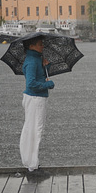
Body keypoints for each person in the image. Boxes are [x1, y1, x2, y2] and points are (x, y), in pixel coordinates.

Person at [20, 36, 54, 178]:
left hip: (35, 98)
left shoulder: (35, 60)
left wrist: (47, 68)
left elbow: (37, 78)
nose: (43, 46)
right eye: (40, 44)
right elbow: (31, 84)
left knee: (33, 130)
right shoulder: (32, 62)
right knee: (35, 131)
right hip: (35, 99)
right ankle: (32, 167)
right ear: (32, 46)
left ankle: (32, 164)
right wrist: (48, 84)